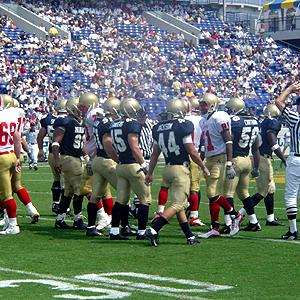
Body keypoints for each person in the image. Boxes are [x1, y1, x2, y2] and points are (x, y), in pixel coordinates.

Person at [145, 99, 210, 247]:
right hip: (180, 169)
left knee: (179, 205)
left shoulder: (159, 128)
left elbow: (155, 154)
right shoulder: (183, 126)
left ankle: (189, 236)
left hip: (167, 168)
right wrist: (204, 167)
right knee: (178, 203)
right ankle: (154, 229)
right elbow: (192, 151)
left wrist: (150, 172)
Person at [198, 93, 243, 238]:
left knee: (212, 193)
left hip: (220, 158)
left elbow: (228, 141)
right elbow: (205, 145)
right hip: (210, 159)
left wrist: (229, 163)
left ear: (212, 105)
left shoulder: (220, 117)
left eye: (204, 104)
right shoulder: (203, 121)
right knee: (212, 195)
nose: (201, 106)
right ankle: (215, 228)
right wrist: (201, 162)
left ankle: (236, 215)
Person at [52, 93, 98, 230]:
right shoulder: (65, 121)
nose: (79, 110)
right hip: (69, 158)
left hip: (74, 157)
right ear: (72, 108)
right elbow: (55, 142)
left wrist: (86, 154)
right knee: (81, 189)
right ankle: (78, 219)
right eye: (77, 107)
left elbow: (78, 144)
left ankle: (60, 220)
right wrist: (56, 160)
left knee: (68, 191)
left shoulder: (77, 122)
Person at [109, 98, 151, 240]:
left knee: (121, 199)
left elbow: (111, 145)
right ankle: (141, 232)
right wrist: (143, 163)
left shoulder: (114, 124)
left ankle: (114, 231)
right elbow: (134, 146)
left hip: (121, 165)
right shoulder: (132, 124)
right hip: (133, 166)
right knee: (144, 199)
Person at [223, 97, 261, 234]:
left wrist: (228, 162)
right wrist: (256, 167)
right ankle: (254, 221)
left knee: (228, 194)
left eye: (229, 108)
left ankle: (229, 224)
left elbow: (229, 142)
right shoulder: (254, 121)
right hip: (247, 160)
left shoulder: (234, 122)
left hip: (236, 160)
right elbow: (256, 148)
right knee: (244, 193)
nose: (227, 111)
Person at [86, 97, 121, 236]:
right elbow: (107, 143)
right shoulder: (109, 123)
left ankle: (90, 228)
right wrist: (117, 159)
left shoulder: (98, 122)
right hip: (107, 161)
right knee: (123, 193)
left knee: (95, 196)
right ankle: (121, 226)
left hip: (97, 159)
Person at [251, 103, 286, 226]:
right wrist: (283, 159)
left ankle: (270, 218)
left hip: (262, 157)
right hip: (263, 158)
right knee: (263, 191)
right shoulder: (272, 123)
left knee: (270, 190)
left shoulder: (263, 122)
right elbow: (273, 143)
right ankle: (239, 214)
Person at [275, 81, 300, 240]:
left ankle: (292, 230)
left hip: (296, 160)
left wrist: (290, 89)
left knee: (291, 196)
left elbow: (278, 102)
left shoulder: (296, 118)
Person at [37, 100, 67, 214]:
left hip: (51, 153)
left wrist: (40, 150)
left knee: (56, 179)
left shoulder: (47, 119)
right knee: (65, 182)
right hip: (63, 153)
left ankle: (55, 203)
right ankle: (65, 207)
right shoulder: (67, 120)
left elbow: (40, 136)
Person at [0, 94, 22, 235]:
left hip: (1, 157)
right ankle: (8, 220)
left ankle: (13, 225)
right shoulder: (11, 116)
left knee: (7, 194)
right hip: (11, 154)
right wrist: (18, 157)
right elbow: (17, 138)